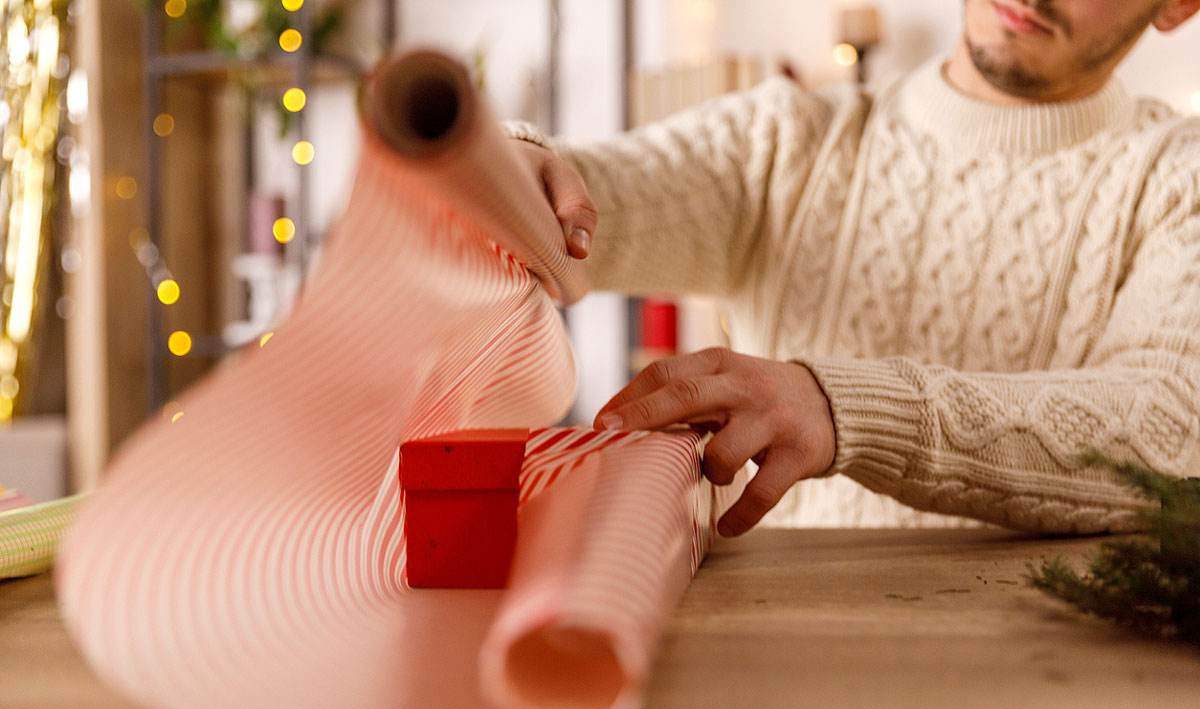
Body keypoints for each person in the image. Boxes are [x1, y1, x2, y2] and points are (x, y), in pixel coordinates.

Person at [504, 0, 1200, 537]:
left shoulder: (1180, 178)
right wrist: (515, 164)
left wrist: (848, 407)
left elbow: (1169, 432)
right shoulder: (786, 138)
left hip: (1044, 680)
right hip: (775, 656)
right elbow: (586, 196)